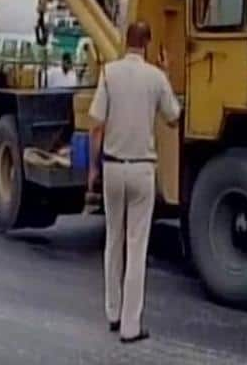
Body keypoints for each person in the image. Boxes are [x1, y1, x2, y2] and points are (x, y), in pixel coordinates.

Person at [87, 22, 181, 343]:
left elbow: (96, 125)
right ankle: (130, 325)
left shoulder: (109, 74)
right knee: (136, 246)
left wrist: (93, 169)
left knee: (113, 239)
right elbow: (173, 116)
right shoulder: (155, 78)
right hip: (142, 170)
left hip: (113, 168)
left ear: (126, 42)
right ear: (148, 44)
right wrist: (166, 73)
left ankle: (112, 312)